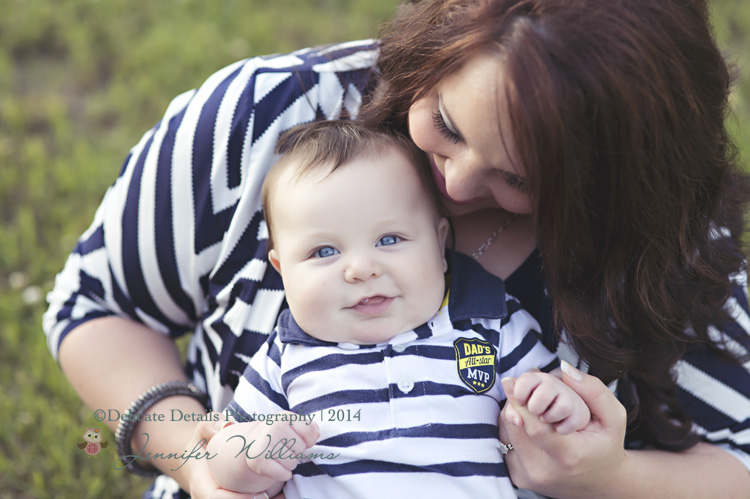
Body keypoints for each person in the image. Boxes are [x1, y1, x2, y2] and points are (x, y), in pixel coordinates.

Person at [43, 0, 750, 498]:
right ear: (440, 35)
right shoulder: (265, 119)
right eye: (446, 121)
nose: (458, 181)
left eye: (521, 178)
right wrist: (202, 462)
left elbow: (738, 457)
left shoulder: (666, 235)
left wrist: (612, 480)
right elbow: (97, 305)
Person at [203, 120, 590, 498]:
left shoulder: (490, 321)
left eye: (389, 239)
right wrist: (250, 453)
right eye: (324, 251)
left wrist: (554, 405)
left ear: (440, 246)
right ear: (283, 271)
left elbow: (556, 411)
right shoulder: (286, 357)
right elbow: (221, 457)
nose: (361, 269)